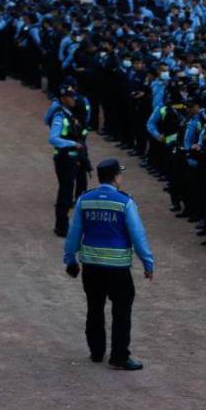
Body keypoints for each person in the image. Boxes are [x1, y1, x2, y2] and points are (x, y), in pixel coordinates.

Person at [63, 159, 154, 371]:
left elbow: (74, 233)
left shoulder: (85, 200)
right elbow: (138, 236)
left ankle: (96, 352)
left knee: (94, 307)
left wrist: (70, 259)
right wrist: (148, 263)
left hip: (91, 267)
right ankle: (119, 356)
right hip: (118, 268)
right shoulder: (125, 202)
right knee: (121, 311)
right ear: (115, 177)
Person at [49, 87, 88, 237]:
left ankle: (62, 225)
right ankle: (61, 227)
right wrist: (72, 144)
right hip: (63, 158)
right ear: (64, 98)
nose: (73, 99)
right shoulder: (60, 116)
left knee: (67, 191)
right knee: (65, 193)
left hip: (71, 158)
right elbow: (53, 138)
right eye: (70, 97)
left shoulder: (70, 114)